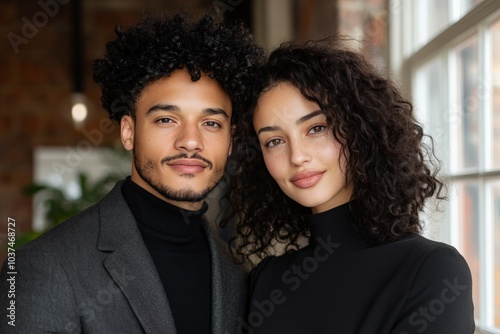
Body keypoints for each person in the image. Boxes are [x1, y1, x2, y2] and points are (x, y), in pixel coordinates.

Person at [0, 13, 263, 334]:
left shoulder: (239, 273)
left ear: (231, 140)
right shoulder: (42, 266)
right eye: (167, 119)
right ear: (128, 131)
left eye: (211, 123)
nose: (191, 141)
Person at [224, 37, 475, 333]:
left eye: (316, 128)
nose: (297, 156)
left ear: (360, 130)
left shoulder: (432, 271)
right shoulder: (267, 279)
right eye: (274, 141)